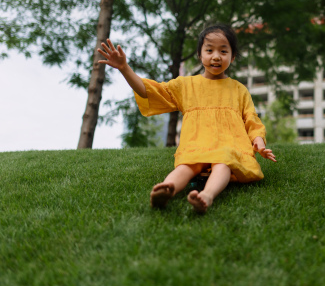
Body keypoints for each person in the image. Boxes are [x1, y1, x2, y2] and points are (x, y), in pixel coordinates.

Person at [98, 25, 276, 213]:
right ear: (200, 55)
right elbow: (149, 91)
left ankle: (207, 195)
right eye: (209, 50)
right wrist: (124, 68)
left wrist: (258, 143)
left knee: (223, 162)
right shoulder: (185, 85)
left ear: (232, 57)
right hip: (196, 144)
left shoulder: (239, 89)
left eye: (223, 51)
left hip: (228, 145)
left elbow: (251, 119)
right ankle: (167, 188)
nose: (216, 56)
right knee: (186, 166)